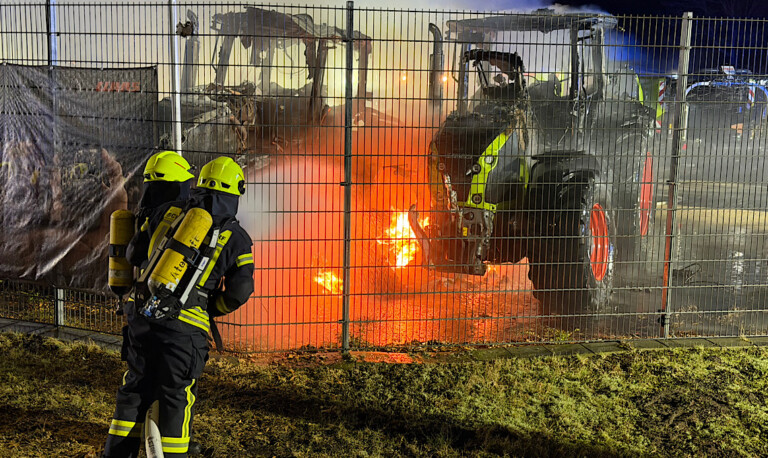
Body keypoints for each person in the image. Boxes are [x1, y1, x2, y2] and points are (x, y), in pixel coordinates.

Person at [103, 156, 254, 458]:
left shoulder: (168, 212)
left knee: (135, 388)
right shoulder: (236, 237)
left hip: (142, 318)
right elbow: (240, 291)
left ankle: (117, 453)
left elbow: (133, 253)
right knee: (174, 397)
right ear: (236, 191)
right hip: (183, 333)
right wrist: (211, 307)